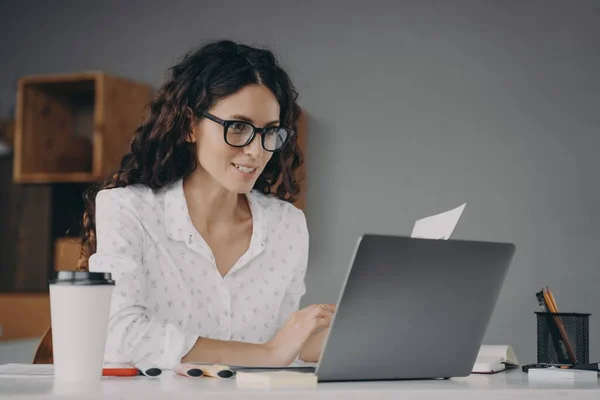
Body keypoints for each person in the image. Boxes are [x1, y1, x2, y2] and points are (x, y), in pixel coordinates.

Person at [79, 40, 335, 370]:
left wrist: (333, 335)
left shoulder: (288, 225)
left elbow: (280, 343)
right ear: (189, 125)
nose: (256, 152)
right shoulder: (127, 209)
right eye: (238, 127)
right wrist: (268, 354)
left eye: (270, 132)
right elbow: (120, 336)